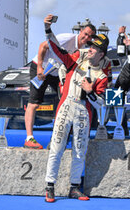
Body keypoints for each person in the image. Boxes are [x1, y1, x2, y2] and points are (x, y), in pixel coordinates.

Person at [43, 14, 109, 203]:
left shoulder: (102, 76)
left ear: (101, 53)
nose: (90, 49)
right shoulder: (76, 60)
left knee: (80, 150)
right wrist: (48, 30)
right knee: (56, 146)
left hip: (83, 112)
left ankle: (74, 187)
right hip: (66, 106)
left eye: (94, 48)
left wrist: (89, 92)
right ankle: (50, 185)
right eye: (90, 46)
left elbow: (101, 104)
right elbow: (58, 51)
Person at [24, 24, 97, 149]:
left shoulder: (85, 49)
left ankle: (59, 137)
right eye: (85, 34)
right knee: (34, 103)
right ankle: (29, 138)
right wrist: (40, 67)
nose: (86, 37)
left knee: (65, 103)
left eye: (89, 36)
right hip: (41, 68)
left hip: (57, 72)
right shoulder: (66, 38)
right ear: (80, 31)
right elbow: (43, 46)